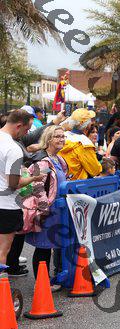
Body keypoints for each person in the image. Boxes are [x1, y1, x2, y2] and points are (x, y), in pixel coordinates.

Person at [20, 125, 67, 288]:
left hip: (58, 210)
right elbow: (37, 187)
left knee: (50, 246)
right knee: (43, 247)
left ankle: (47, 280)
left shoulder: (59, 159)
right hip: (47, 210)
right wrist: (44, 209)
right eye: (57, 136)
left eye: (63, 136)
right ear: (48, 139)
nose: (61, 139)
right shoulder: (43, 160)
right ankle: (42, 284)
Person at [0, 110, 45, 272]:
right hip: (6, 206)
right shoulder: (13, 148)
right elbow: (14, 183)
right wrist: (34, 178)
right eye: (26, 130)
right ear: (19, 126)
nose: (26, 134)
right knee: (2, 251)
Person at [56, 109, 101, 180]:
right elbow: (95, 170)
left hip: (61, 180)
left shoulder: (62, 137)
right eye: (89, 120)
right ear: (86, 124)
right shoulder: (85, 143)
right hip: (78, 183)